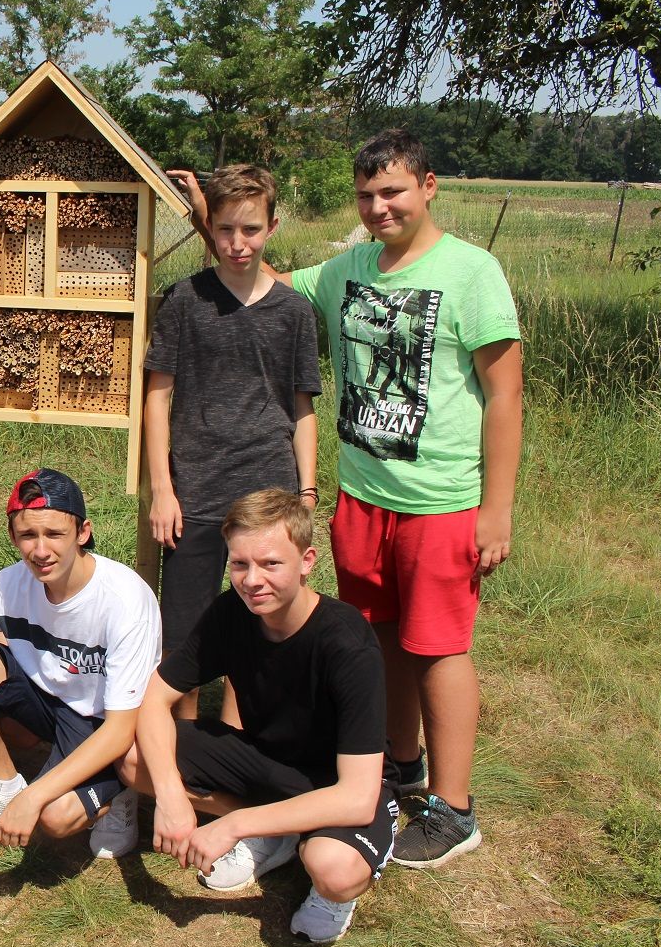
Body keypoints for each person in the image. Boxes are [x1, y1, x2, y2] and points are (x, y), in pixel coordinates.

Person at [173, 128, 523, 867]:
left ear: (429, 186)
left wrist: (496, 508)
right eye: (366, 195)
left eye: (392, 191)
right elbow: (254, 271)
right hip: (362, 495)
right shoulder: (349, 269)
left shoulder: (471, 271)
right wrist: (206, 212)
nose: (378, 207)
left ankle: (455, 809)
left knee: (439, 648)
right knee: (378, 639)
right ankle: (399, 766)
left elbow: (504, 393)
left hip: (441, 499)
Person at [127, 489, 399, 944]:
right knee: (135, 758)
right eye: (239, 564)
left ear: (307, 560)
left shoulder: (346, 641)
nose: (253, 580)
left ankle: (296, 851)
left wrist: (231, 827)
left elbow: (355, 795)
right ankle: (280, 832)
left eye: (271, 563)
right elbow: (155, 699)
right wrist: (172, 797)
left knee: (333, 870)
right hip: (265, 760)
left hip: (339, 783)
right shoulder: (230, 612)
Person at [142, 164, 321, 724]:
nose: (237, 244)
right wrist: (163, 490)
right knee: (185, 628)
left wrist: (307, 491)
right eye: (224, 230)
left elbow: (302, 406)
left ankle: (241, 739)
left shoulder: (293, 311)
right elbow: (156, 398)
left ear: (272, 226)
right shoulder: (185, 302)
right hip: (195, 488)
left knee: (263, 621)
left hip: (269, 487)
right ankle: (184, 747)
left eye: (250, 230)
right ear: (209, 227)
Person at [0, 468, 160, 859]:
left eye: (55, 534)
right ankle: (1, 781)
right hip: (47, 695)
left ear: (83, 532)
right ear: (13, 536)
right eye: (28, 535)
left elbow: (122, 728)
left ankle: (120, 791)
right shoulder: (8, 584)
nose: (41, 551)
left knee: (55, 818)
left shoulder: (124, 600)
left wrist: (34, 798)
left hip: (104, 721)